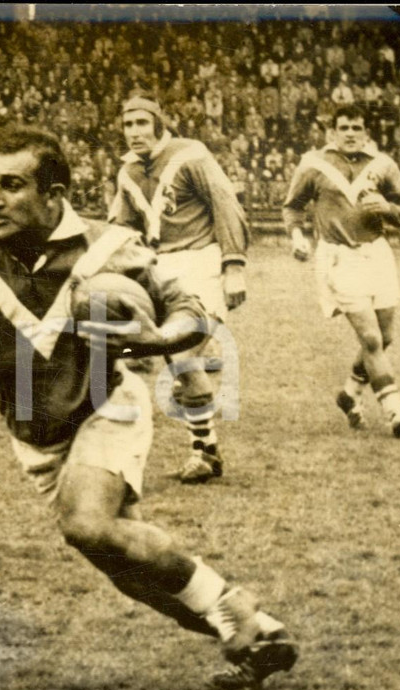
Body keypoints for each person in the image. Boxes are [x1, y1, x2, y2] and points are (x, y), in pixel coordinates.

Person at [0, 126, 297, 690]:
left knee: (87, 522)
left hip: (109, 399)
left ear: (55, 193)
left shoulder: (112, 246)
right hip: (35, 434)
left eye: (13, 186)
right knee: (127, 569)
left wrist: (158, 341)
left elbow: (188, 307)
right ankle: (262, 635)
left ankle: (233, 605)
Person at [108, 93, 250, 485]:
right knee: (174, 359)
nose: (134, 132)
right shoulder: (128, 173)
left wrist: (233, 266)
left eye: (141, 123)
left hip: (199, 261)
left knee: (182, 354)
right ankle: (206, 450)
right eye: (127, 125)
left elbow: (226, 205)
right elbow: (122, 229)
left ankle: (204, 452)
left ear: (158, 122)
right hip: (159, 270)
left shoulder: (191, 154)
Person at [283, 104, 400, 438]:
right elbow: (292, 206)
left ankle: (349, 394)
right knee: (370, 338)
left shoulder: (383, 164)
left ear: (367, 134)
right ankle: (395, 412)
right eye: (344, 128)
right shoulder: (314, 164)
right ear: (333, 132)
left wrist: (388, 208)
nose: (351, 133)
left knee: (384, 338)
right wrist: (298, 237)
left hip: (378, 254)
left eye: (357, 128)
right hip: (338, 257)